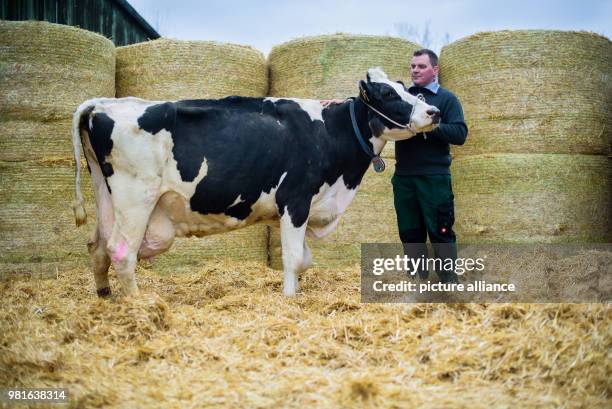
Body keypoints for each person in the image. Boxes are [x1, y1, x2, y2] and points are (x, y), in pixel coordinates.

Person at [321, 49, 467, 283]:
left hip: (435, 177)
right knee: (410, 235)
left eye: (421, 66)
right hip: (404, 177)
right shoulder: (405, 96)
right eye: (412, 66)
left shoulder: (446, 99)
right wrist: (344, 103)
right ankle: (418, 284)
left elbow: (460, 133)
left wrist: (430, 124)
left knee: (441, 233)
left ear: (435, 70)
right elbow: (375, 104)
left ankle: (449, 285)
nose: (415, 70)